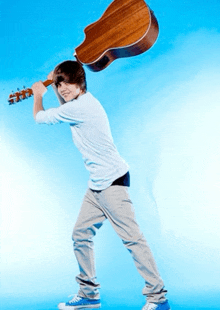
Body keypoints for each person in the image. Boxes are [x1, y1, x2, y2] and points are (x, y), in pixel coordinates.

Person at [31, 60, 170, 310]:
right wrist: (54, 84)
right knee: (80, 235)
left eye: (68, 83)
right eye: (60, 84)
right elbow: (65, 103)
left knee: (132, 239)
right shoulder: (78, 103)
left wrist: (38, 95)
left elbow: (40, 118)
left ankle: (158, 298)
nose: (63, 89)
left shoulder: (81, 107)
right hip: (96, 185)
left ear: (81, 82)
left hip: (112, 182)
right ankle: (89, 294)